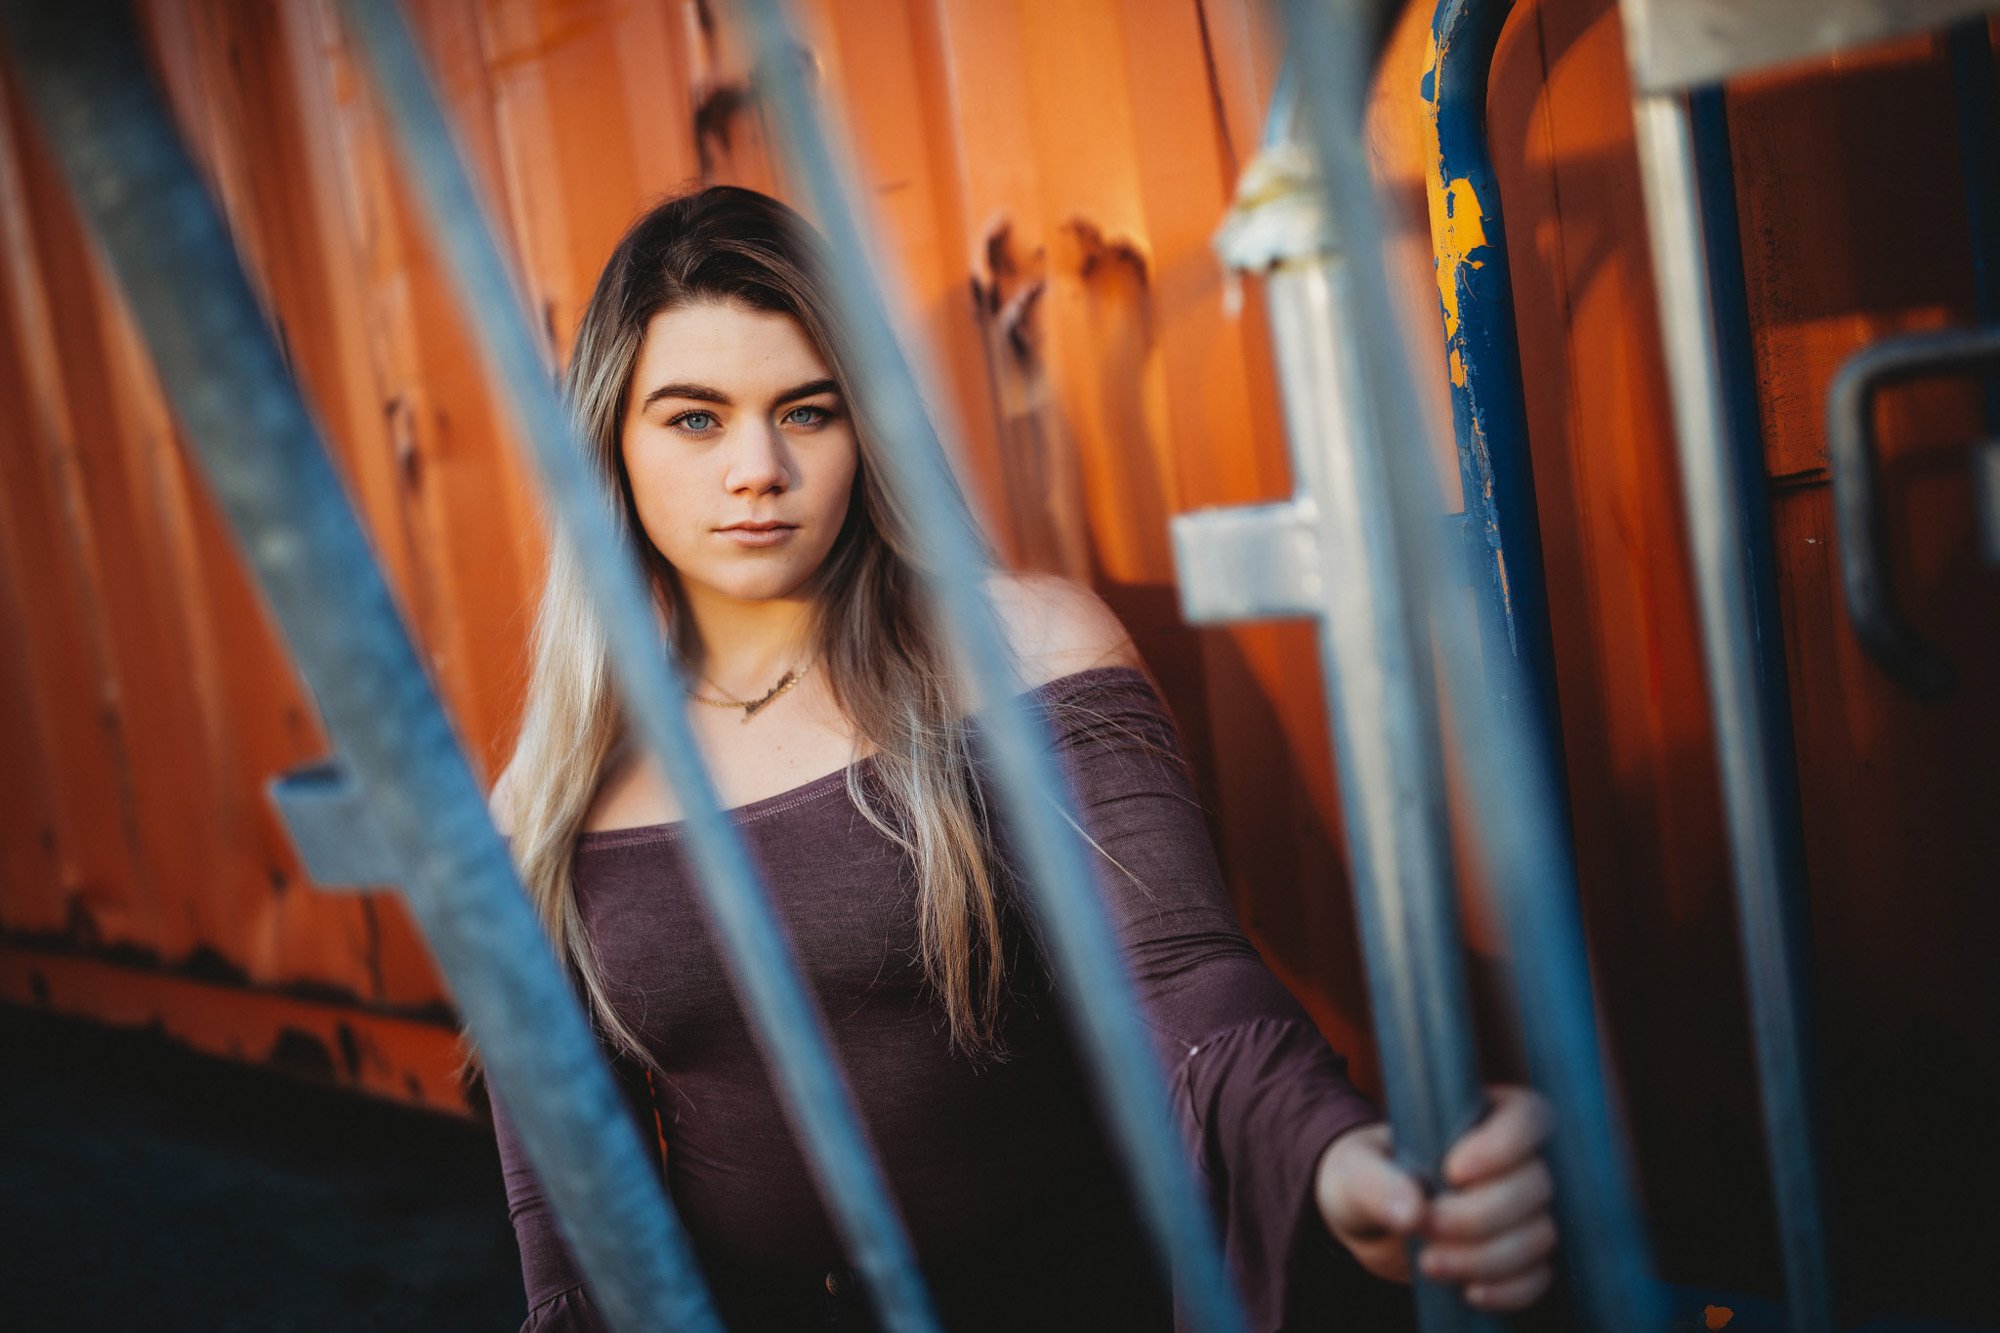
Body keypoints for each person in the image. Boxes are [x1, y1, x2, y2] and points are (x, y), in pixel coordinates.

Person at [480, 184, 1556, 1331]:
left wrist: (1337, 1161)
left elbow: (1183, 975)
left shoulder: (1018, 648)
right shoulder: (551, 787)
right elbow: (564, 1184)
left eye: (807, 411)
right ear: (611, 440)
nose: (757, 469)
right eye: (693, 418)